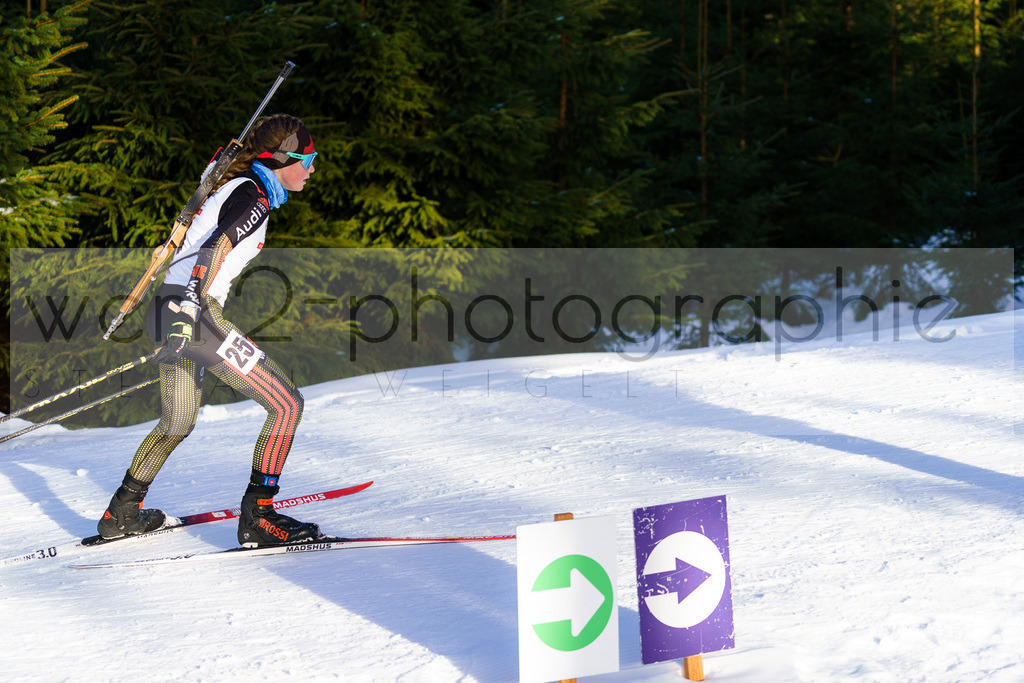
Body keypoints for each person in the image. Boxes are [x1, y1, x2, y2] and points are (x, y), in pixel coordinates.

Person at [97, 114, 321, 547]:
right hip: (190, 311)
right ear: (284, 160)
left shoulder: (236, 185)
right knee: (287, 405)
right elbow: (214, 246)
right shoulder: (253, 197)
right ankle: (259, 517)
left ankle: (122, 510)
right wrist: (191, 306)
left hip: (169, 308)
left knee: (177, 419)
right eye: (309, 159)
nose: (312, 170)